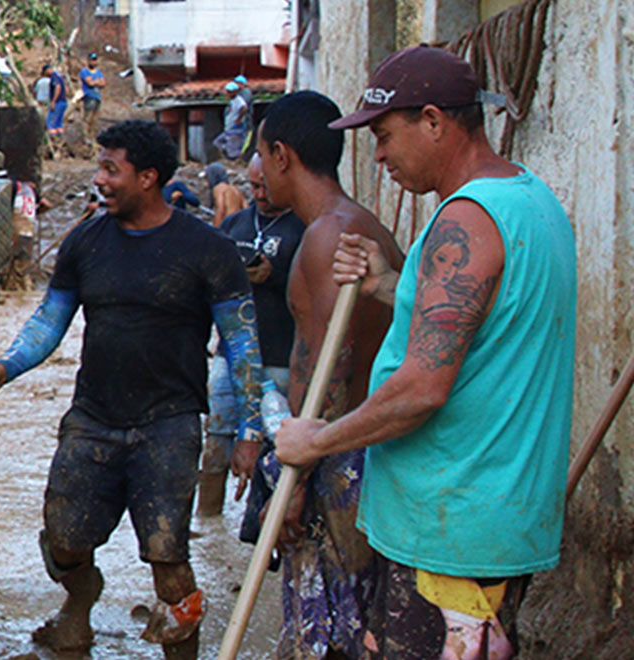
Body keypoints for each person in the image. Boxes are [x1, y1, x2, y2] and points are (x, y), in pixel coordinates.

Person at [277, 46, 574, 659]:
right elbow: (484, 321)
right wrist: (391, 283)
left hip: (450, 530)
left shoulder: (465, 220)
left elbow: (421, 389)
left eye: (385, 136)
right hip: (490, 518)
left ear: (435, 121)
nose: (379, 155)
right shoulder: (530, 200)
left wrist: (317, 441)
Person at [0, 120, 271, 660]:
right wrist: (6, 367)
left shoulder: (207, 249)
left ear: (148, 177)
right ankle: (81, 601)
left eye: (110, 169)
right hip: (93, 418)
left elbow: (242, 345)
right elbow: (50, 322)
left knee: (168, 560)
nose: (99, 179)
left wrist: (250, 429)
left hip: (168, 425)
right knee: (63, 541)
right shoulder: (85, 241)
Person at [248, 89, 404, 660]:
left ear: (283, 155)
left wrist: (296, 484)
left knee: (335, 634)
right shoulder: (365, 226)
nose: (259, 171)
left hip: (340, 462)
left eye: (261, 155)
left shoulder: (326, 237)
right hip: (367, 454)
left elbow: (325, 378)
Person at [198, 153, 303, 521]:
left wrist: (275, 277)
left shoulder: (305, 228)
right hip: (229, 355)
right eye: (254, 185)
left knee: (277, 445)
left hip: (280, 357)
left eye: (265, 185)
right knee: (217, 437)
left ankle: (269, 522)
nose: (259, 193)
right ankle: (207, 523)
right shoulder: (235, 226)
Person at [215, 81, 251, 162]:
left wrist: (238, 119)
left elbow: (244, 108)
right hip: (229, 127)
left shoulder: (239, 100)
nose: (227, 93)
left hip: (235, 128)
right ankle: (228, 160)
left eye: (229, 92)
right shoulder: (232, 101)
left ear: (235, 92)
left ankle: (235, 161)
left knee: (233, 149)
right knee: (218, 143)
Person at [79, 53, 106, 141]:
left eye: (95, 60)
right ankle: (86, 137)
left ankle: (92, 136)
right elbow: (89, 83)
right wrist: (97, 82)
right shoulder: (84, 71)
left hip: (97, 96)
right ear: (88, 61)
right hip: (89, 96)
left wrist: (95, 82)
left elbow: (103, 84)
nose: (94, 62)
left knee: (95, 118)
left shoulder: (98, 72)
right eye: (92, 60)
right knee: (88, 117)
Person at [45, 64, 70, 145]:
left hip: (58, 102)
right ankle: (61, 140)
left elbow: (57, 87)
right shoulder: (60, 76)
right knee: (59, 123)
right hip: (64, 102)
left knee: (50, 122)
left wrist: (53, 101)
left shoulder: (54, 76)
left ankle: (52, 142)